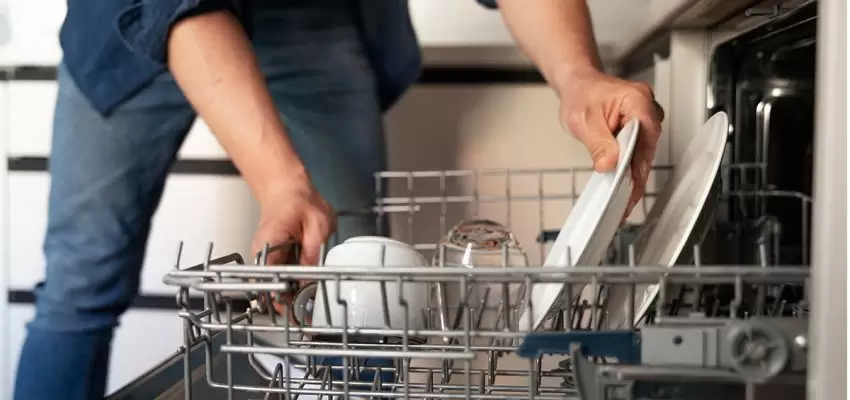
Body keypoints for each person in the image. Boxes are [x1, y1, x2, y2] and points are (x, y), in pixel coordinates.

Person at [12, 0, 664, 398]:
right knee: (81, 285)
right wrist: (281, 181)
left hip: (308, 14)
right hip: (130, 19)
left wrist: (576, 74)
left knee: (361, 297)